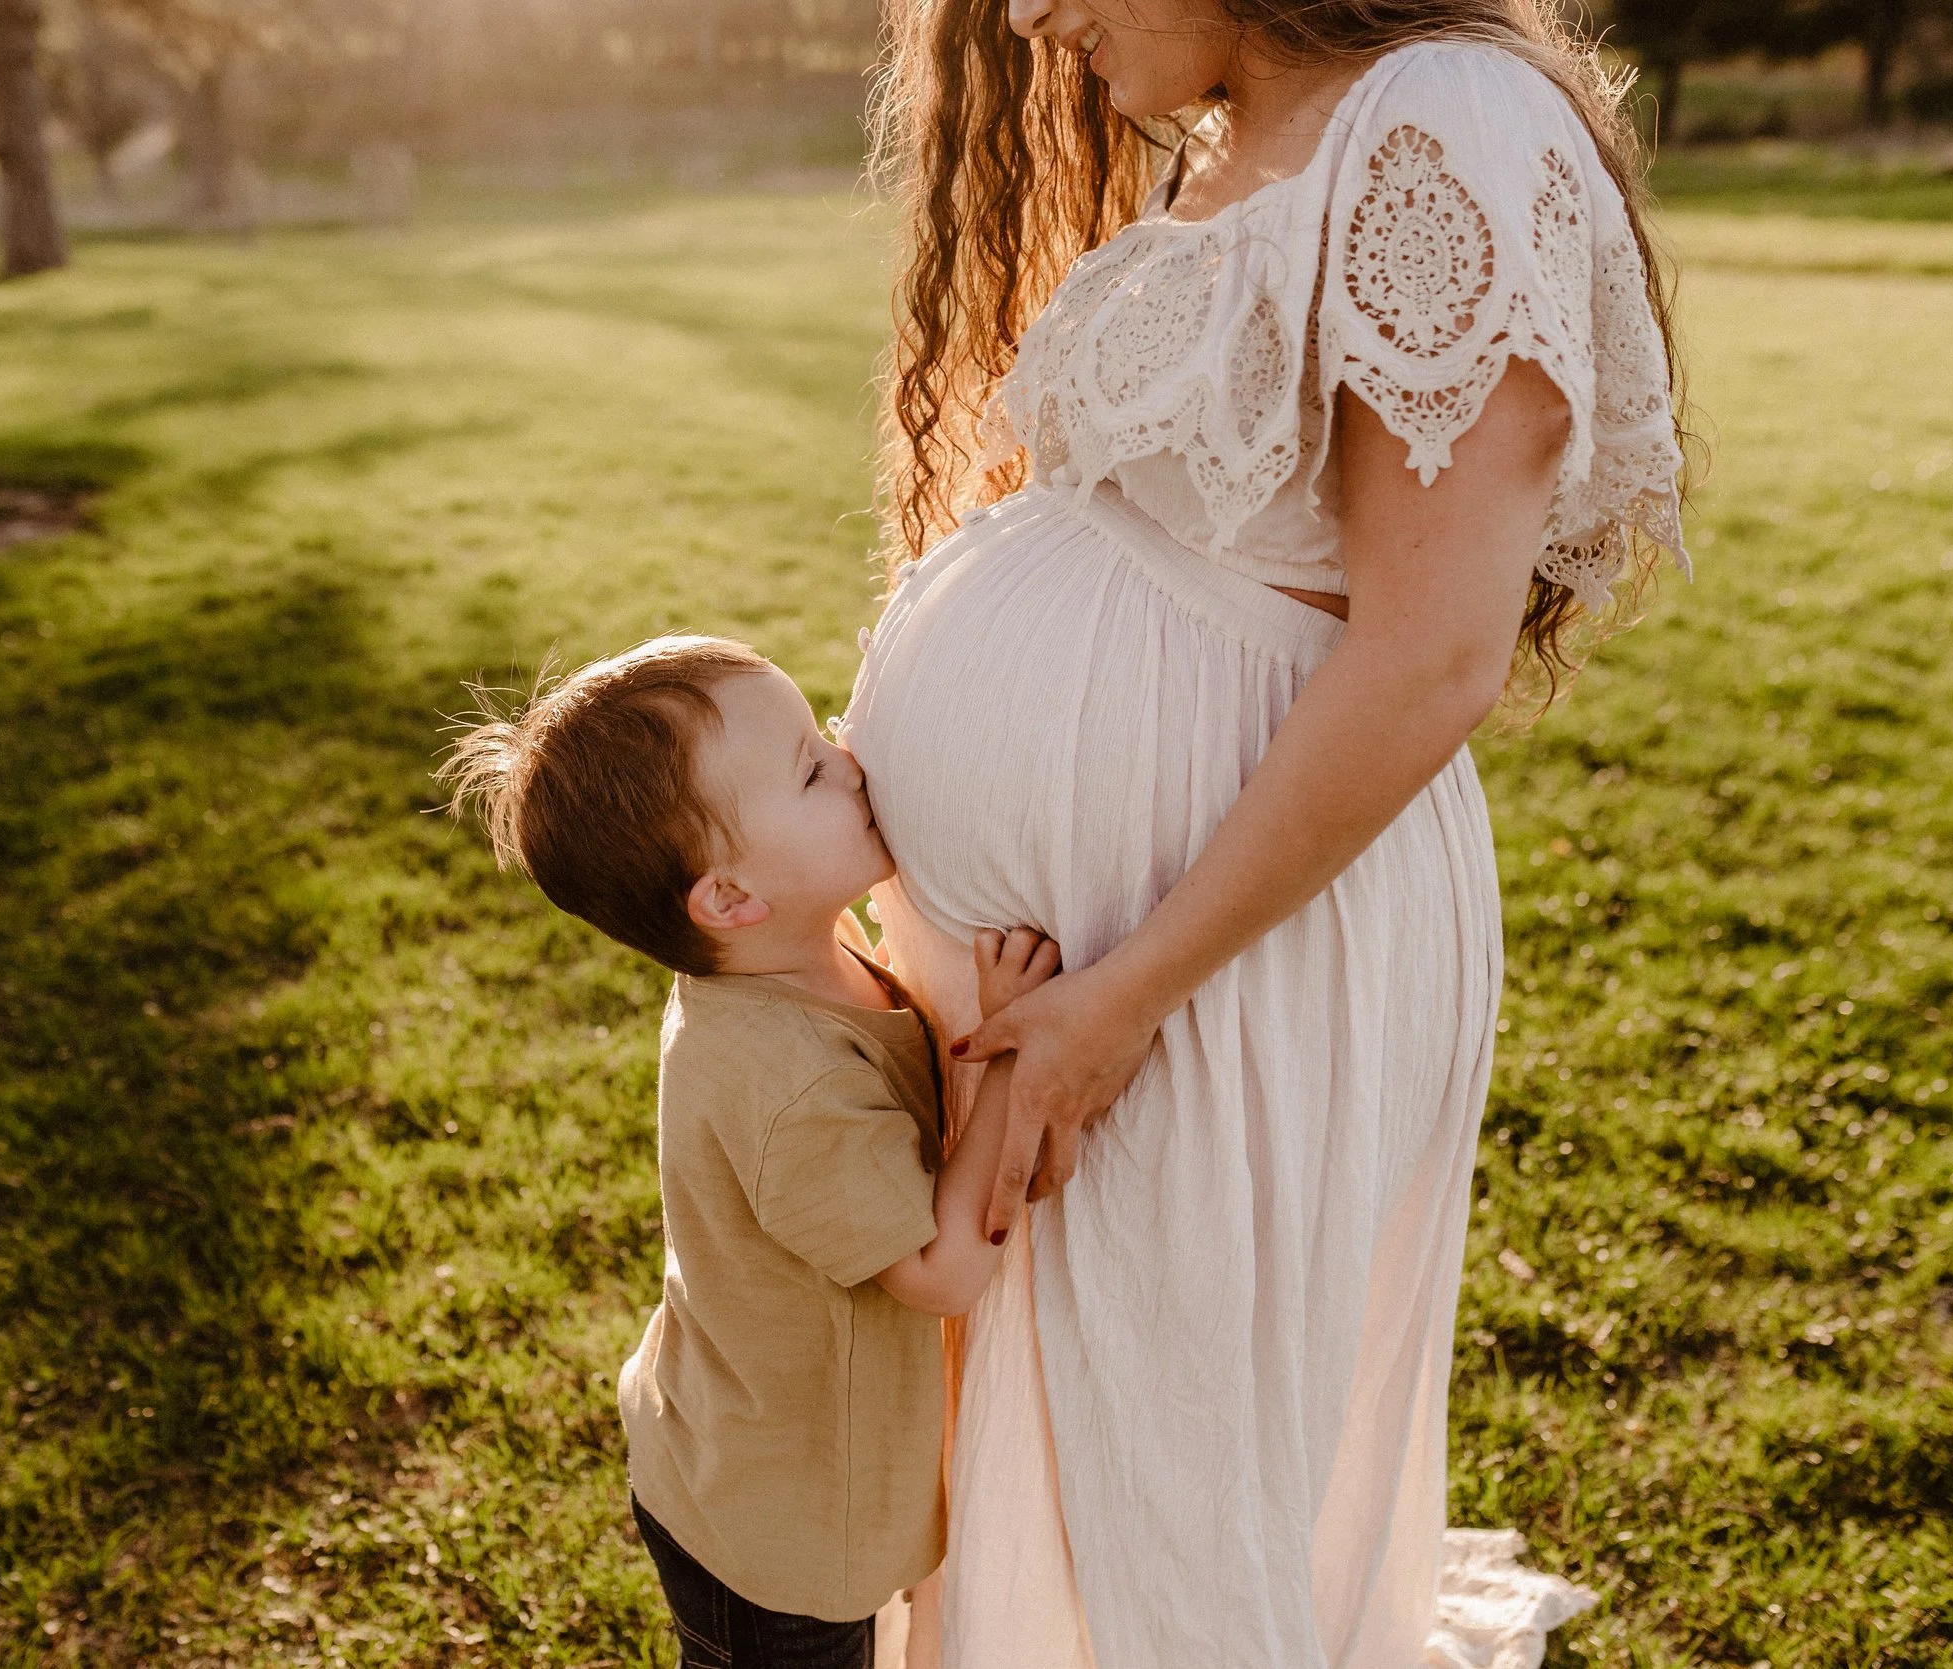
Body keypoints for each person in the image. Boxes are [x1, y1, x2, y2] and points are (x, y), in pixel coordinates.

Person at [842, 1, 1688, 1664]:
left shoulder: (1444, 111)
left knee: (1173, 1481)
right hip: (1104, 972)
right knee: (1074, 1459)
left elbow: (1433, 643)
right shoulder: (1233, 140)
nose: (1027, 15)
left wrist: (1126, 989)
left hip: (1221, 953)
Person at [441, 635, 1060, 1668]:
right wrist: (1010, 1047)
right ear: (729, 898)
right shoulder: (792, 1085)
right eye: (813, 768)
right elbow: (943, 1271)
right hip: (773, 1534)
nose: (852, 762)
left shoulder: (794, 961)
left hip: (740, 1449)